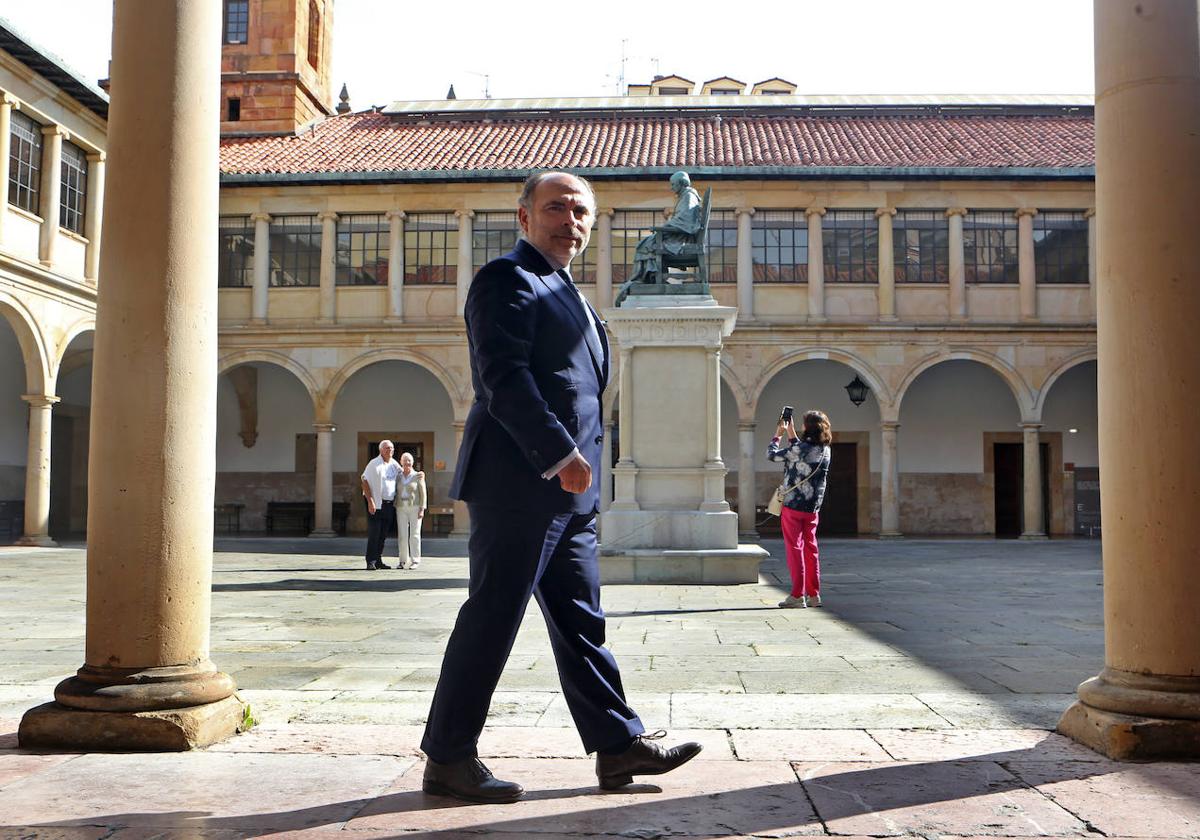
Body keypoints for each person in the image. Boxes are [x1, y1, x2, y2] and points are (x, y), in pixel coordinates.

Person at [421, 171, 701, 804]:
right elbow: (503, 376)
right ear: (524, 218)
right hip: (520, 483)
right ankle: (447, 758)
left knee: (582, 622)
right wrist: (558, 453)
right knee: (492, 619)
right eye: (553, 208)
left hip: (571, 498)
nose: (567, 220)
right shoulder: (507, 280)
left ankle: (617, 746)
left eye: (579, 211)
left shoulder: (579, 299)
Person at [767, 410, 833, 609]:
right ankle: (814, 595)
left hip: (793, 506)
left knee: (795, 549)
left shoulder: (801, 449)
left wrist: (777, 434)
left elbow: (771, 455)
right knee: (811, 549)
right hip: (813, 508)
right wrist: (792, 433)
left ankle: (797, 595)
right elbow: (802, 451)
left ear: (808, 427)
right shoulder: (825, 450)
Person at [615, 171, 702, 302]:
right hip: (677, 236)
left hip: (681, 239)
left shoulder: (689, 196)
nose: (671, 188)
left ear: (681, 183)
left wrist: (665, 227)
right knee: (646, 243)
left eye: (673, 184)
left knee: (647, 245)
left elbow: (686, 220)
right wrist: (667, 226)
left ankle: (645, 278)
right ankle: (649, 277)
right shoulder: (685, 196)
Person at [360, 440, 400, 570]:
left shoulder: (394, 464)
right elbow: (364, 481)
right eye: (387, 448)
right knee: (374, 533)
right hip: (376, 503)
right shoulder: (374, 463)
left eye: (392, 448)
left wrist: (418, 475)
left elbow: (405, 473)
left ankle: (378, 560)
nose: (390, 450)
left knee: (383, 534)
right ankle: (370, 560)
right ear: (381, 450)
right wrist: (370, 501)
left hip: (389, 504)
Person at [395, 451, 426, 570]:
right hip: (401, 507)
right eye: (404, 460)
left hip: (415, 507)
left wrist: (422, 509)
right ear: (401, 462)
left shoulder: (418, 475)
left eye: (409, 460)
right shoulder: (398, 476)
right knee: (402, 535)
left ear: (412, 462)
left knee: (414, 535)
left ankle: (415, 560)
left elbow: (423, 494)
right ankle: (403, 560)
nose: (407, 463)